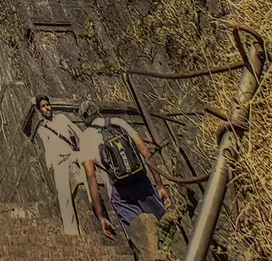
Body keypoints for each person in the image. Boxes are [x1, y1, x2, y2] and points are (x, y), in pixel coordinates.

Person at [77, 100, 171, 239]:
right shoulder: (118, 122)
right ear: (99, 112)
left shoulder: (86, 138)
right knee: (166, 225)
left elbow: (91, 176)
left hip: (119, 193)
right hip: (142, 182)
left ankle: (150, 259)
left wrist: (100, 214)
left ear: (84, 120)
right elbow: (146, 152)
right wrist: (159, 185)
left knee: (139, 237)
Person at [34, 95, 85, 235]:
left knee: (88, 170)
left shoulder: (61, 118)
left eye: (47, 105)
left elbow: (77, 131)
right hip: (59, 162)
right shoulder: (42, 129)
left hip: (72, 155)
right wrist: (50, 164)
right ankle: (71, 230)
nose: (47, 108)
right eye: (43, 106)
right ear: (40, 110)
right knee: (64, 195)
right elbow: (47, 148)